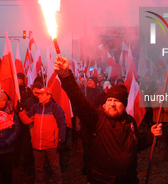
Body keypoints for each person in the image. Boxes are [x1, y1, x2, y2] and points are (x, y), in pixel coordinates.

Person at [54, 56, 162, 184]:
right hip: (102, 181)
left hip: (128, 180)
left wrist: (151, 135)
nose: (112, 104)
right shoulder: (97, 119)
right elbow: (79, 100)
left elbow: (136, 144)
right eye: (109, 100)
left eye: (116, 101)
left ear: (124, 104)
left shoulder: (130, 122)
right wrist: (66, 76)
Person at [18, 87, 66, 184]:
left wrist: (61, 140)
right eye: (38, 94)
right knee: (38, 168)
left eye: (41, 94)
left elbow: (62, 124)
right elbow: (27, 120)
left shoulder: (56, 108)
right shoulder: (35, 107)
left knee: (55, 167)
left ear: (49, 96)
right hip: (38, 144)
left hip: (51, 144)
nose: (39, 95)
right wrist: (21, 111)